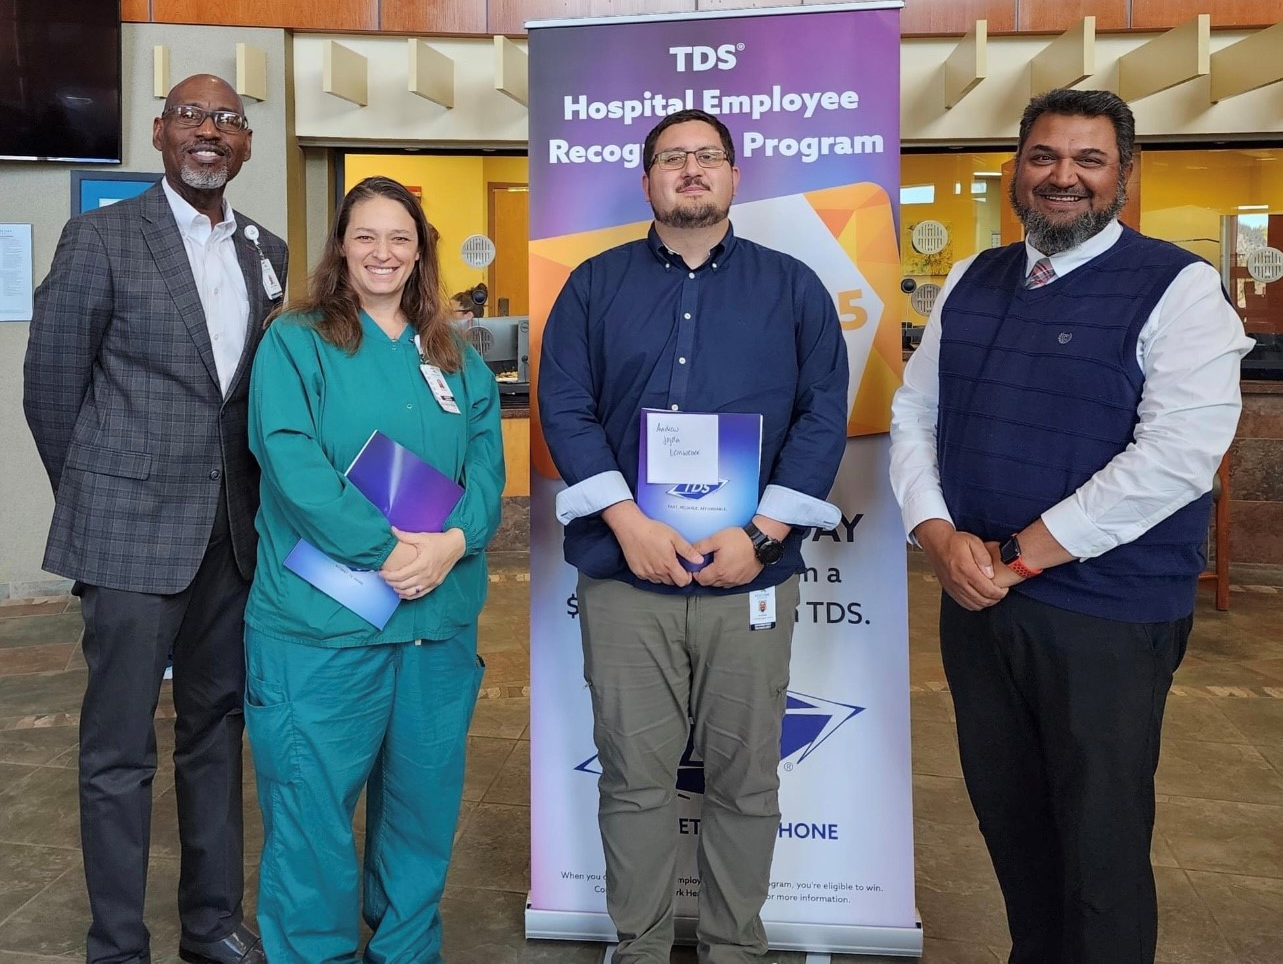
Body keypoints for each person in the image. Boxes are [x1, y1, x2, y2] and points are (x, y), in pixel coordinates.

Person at [889, 88, 1253, 964]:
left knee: (1099, 841)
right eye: (1044, 157)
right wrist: (937, 536)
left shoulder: (1179, 286)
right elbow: (914, 414)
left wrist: (1018, 557)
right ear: (1017, 170)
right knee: (1011, 823)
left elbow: (1175, 455)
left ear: (1122, 176)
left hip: (1105, 612)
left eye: (1088, 160)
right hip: (976, 603)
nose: (1063, 177)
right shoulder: (972, 280)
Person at [538, 109, 849, 963]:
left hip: (747, 576)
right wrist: (626, 521)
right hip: (622, 575)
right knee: (634, 781)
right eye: (671, 158)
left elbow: (824, 415)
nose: (689, 170)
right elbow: (562, 405)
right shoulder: (591, 286)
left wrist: (763, 531)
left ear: (733, 177)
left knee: (746, 782)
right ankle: (635, 947)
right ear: (644, 181)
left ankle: (732, 949)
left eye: (706, 157)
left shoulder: (793, 288)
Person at [23, 74, 287, 964]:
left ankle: (211, 924)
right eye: (190, 117)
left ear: (245, 145)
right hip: (127, 533)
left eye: (226, 121)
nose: (208, 132)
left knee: (217, 734)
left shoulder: (269, 252)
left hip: (231, 538)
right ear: (160, 134)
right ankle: (117, 944)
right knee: (117, 752)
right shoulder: (100, 238)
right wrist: (101, 497)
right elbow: (51, 391)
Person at [244, 175, 504, 964]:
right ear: (341, 248)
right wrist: (387, 550)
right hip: (322, 630)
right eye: (366, 236)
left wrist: (452, 544)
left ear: (421, 250)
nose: (383, 252)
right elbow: (290, 460)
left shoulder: (456, 357)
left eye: (400, 237)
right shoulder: (296, 342)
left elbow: (487, 472)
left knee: (422, 812)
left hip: (434, 626)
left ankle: (404, 950)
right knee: (311, 812)